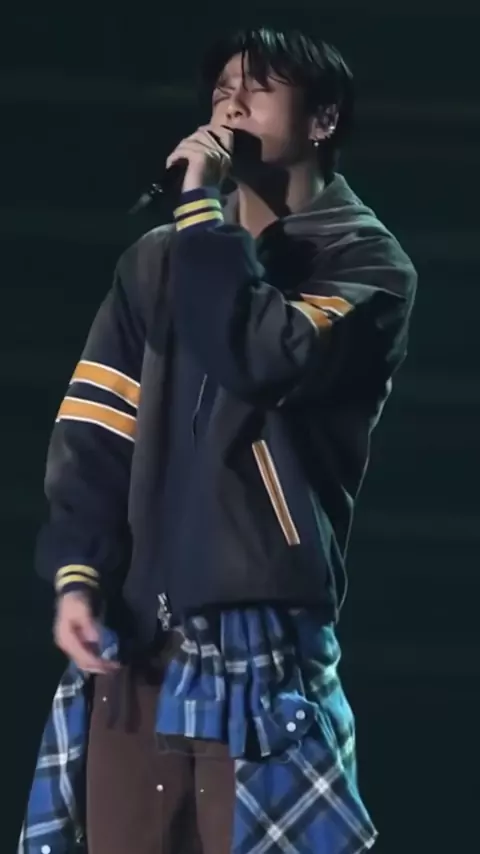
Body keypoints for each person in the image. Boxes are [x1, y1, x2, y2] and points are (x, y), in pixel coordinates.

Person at [19, 26, 417, 854]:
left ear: (322, 119)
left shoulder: (366, 264)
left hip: (261, 641)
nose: (230, 106)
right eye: (221, 91)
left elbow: (261, 356)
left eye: (258, 89)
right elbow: (97, 425)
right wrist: (78, 574)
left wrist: (201, 211)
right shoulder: (154, 262)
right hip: (137, 642)